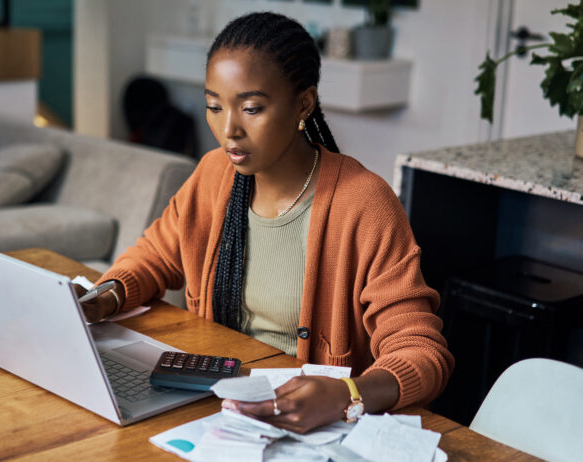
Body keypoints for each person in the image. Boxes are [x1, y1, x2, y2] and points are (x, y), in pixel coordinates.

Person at [79, 11, 454, 433]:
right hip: (217, 406)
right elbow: (154, 255)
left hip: (312, 424)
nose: (228, 130)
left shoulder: (364, 203)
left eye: (251, 108)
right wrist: (104, 297)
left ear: (303, 104)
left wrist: (350, 393)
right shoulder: (214, 174)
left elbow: (422, 352)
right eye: (214, 107)